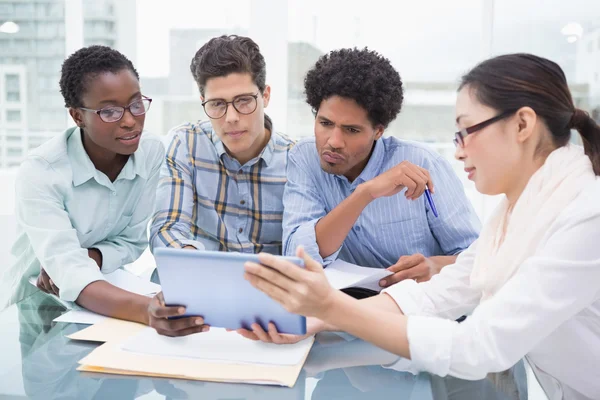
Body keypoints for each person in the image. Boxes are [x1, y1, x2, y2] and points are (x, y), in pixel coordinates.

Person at [240, 53, 600, 400]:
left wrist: (333, 310)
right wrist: (317, 318)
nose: (458, 152)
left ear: (522, 125)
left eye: (467, 131)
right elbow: (438, 293)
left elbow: (479, 346)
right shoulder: (518, 211)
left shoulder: (586, 215)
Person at [283, 48, 480, 287]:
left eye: (351, 130)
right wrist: (366, 193)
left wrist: (436, 266)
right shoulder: (304, 158)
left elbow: (479, 259)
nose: (333, 141)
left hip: (417, 311)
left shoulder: (424, 163)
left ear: (378, 130)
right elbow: (298, 255)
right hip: (345, 310)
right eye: (325, 123)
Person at [0, 45, 164, 323]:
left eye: (136, 104)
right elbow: (63, 270)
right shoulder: (41, 171)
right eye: (109, 112)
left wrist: (90, 257)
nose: (130, 121)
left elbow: (132, 242)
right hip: (38, 305)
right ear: (77, 116)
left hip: (107, 294)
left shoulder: (150, 152)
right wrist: (149, 310)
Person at [149, 35, 294, 255]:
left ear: (265, 96)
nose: (231, 117)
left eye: (244, 100)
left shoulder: (295, 160)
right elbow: (167, 229)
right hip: (197, 279)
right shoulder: (185, 144)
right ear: (203, 102)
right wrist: (189, 259)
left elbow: (304, 247)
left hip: (268, 286)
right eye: (217, 104)